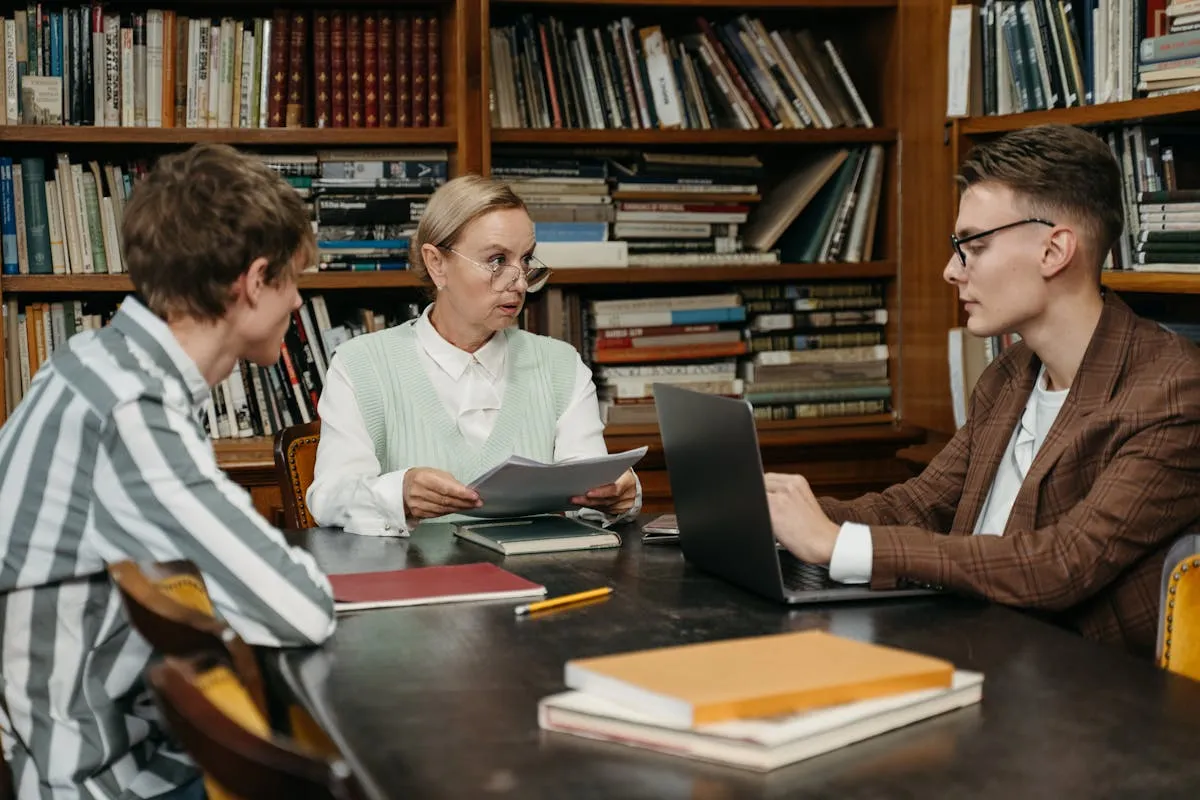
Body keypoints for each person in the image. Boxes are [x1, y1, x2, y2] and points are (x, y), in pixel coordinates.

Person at [765, 123, 1200, 657]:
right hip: (968, 647)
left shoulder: (1174, 392)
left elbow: (1061, 564)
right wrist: (768, 514)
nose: (952, 270)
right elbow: (920, 505)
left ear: (1054, 250)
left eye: (975, 245)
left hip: (1081, 696)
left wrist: (838, 544)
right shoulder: (1011, 373)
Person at [0, 144, 336, 799]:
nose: (298, 303)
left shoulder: (92, 360)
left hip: (81, 737)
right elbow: (300, 608)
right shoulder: (130, 410)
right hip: (100, 774)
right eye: (292, 279)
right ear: (253, 280)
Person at [307, 175, 641, 535]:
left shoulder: (562, 366)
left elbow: (590, 496)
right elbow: (329, 496)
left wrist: (620, 495)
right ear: (437, 263)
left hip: (544, 581)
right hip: (420, 582)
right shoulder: (361, 365)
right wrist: (398, 493)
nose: (520, 282)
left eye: (526, 259)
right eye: (497, 260)